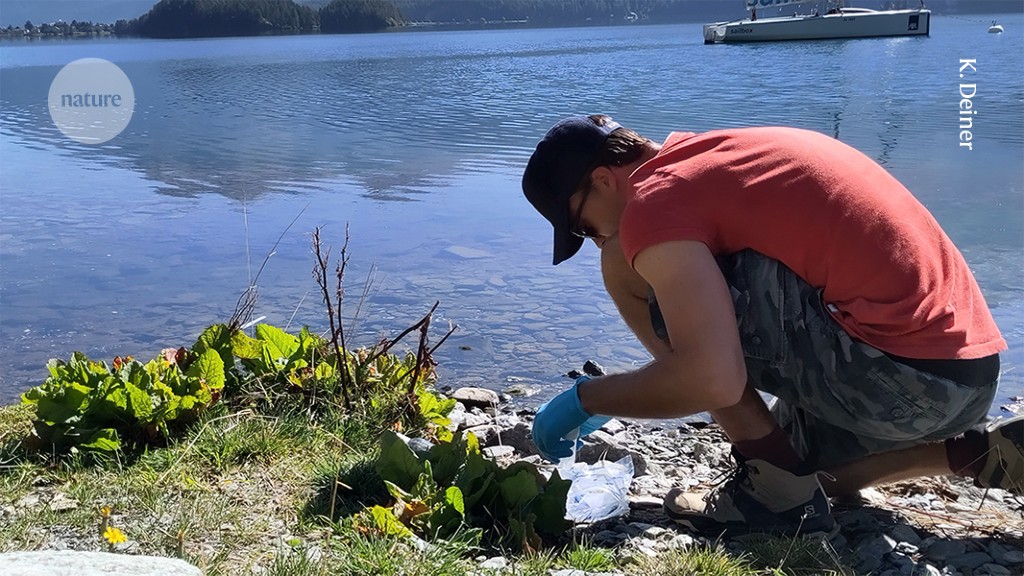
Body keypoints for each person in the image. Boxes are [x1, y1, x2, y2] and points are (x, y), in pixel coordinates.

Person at [521, 114, 1022, 538]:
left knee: (625, 265)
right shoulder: (716, 153)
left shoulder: (653, 203)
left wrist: (587, 399)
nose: (594, 237)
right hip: (963, 373)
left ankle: (773, 490)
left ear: (605, 179)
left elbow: (710, 380)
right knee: (805, 473)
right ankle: (976, 453)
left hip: (902, 379)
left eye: (584, 226)